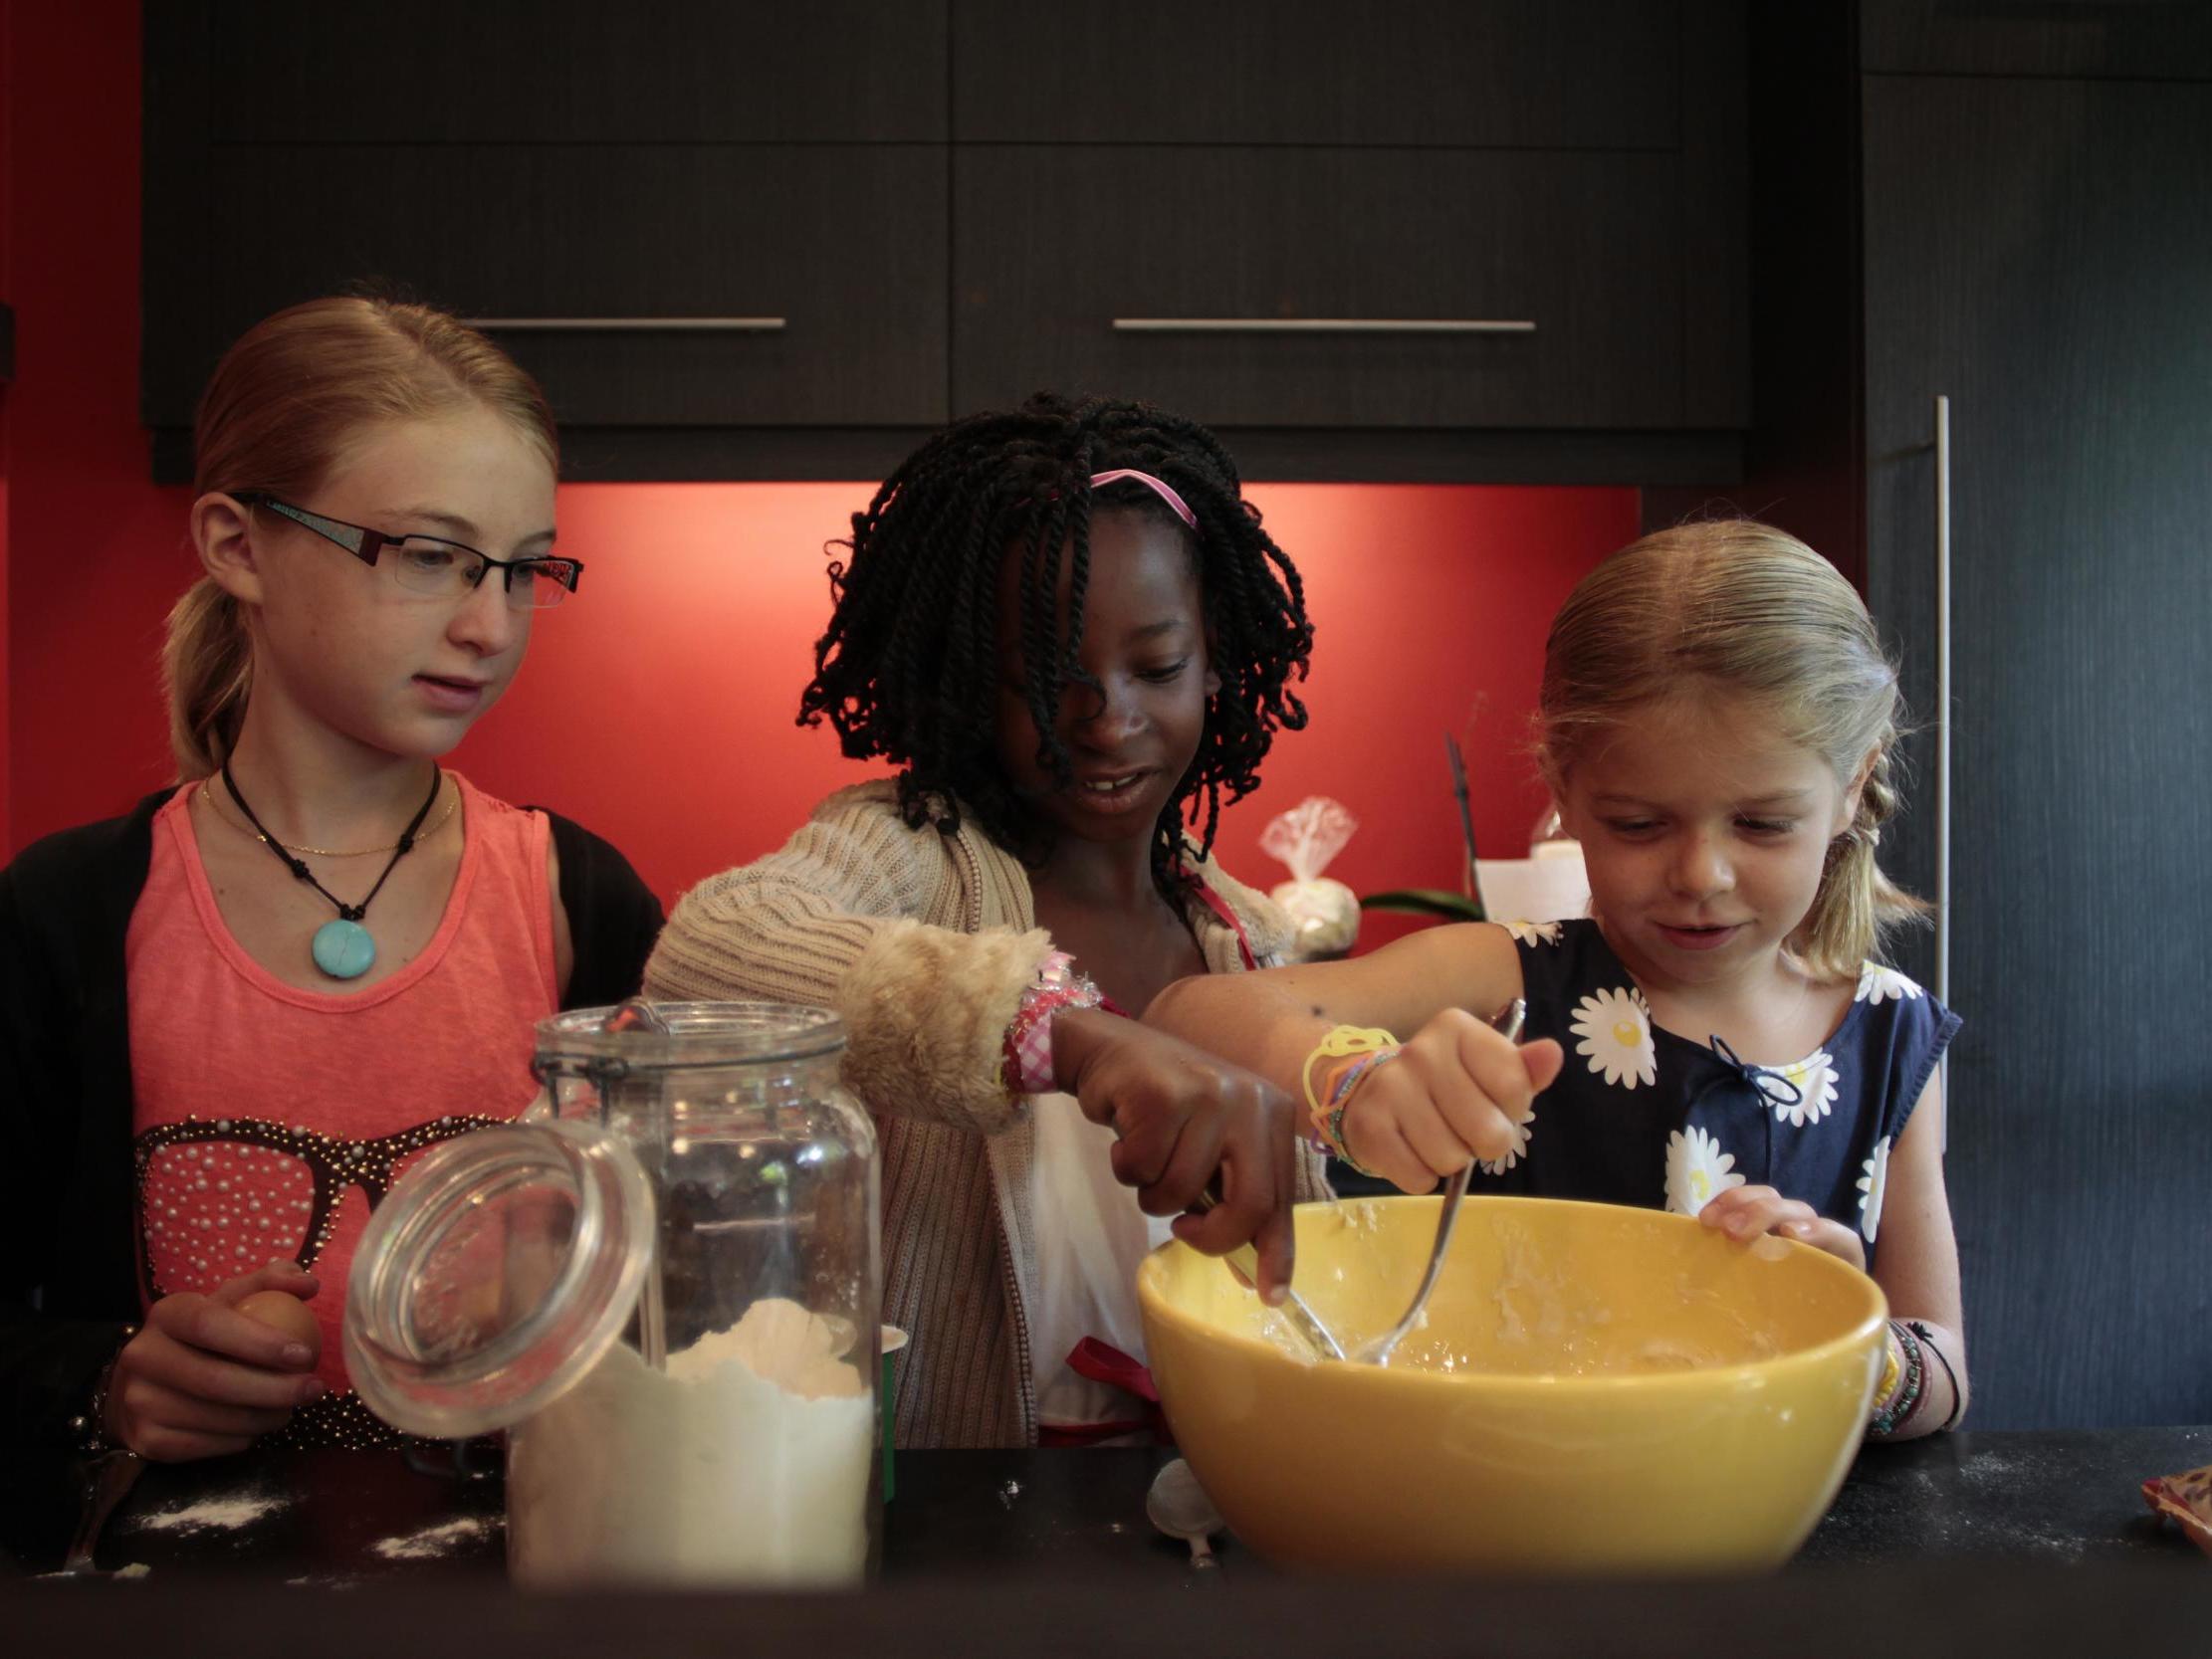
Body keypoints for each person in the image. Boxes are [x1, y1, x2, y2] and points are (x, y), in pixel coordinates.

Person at [0, 297, 664, 1460]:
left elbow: (674, 1283)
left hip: (516, 1597)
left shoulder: (579, 898)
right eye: (428, 556)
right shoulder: (67, 914)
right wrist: (103, 1384)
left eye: (521, 570)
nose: (490, 625)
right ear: (236, 543)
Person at [1148, 520, 1968, 1439]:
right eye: (1639, 824)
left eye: (1763, 824)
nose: (1702, 873)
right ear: (1563, 788)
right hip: (1512, 1508)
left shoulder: (1895, 1040)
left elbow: (1946, 1371)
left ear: (1852, 787)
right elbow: (1184, 1015)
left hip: (1768, 1538)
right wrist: (1351, 1081)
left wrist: (1861, 1341)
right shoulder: (1509, 978)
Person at [645, 394, 1320, 1446]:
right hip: (954, 1516)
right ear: (964, 682)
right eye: (1045, 677)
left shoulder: (1248, 931)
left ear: (1218, 660)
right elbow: (706, 949)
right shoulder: (913, 855)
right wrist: (1066, 1031)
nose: (1107, 719)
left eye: (1156, 666)